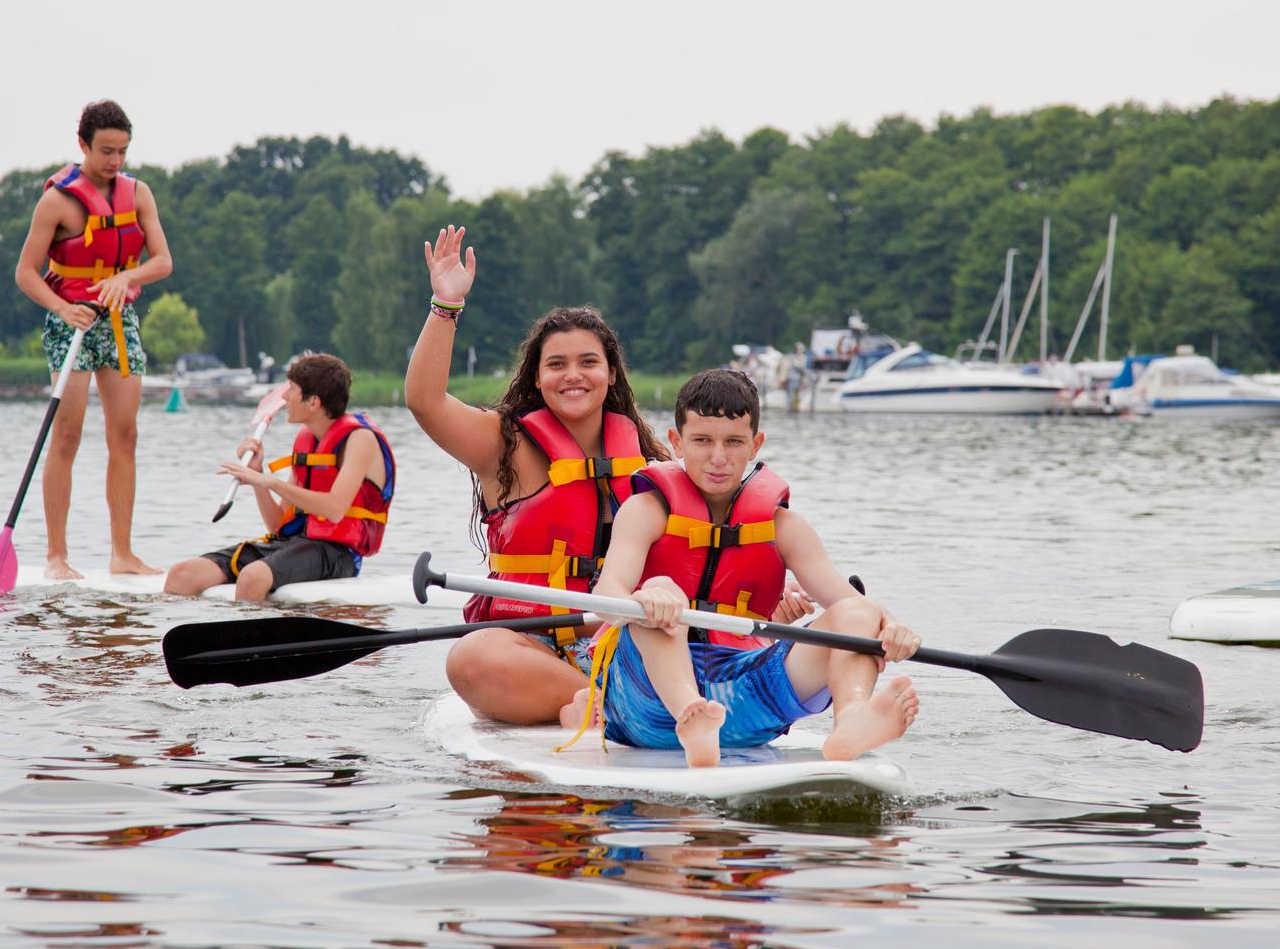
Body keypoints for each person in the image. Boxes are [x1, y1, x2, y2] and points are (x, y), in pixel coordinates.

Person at [565, 368, 921, 768]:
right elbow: (606, 593)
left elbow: (852, 606)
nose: (718, 457)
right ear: (677, 442)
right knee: (662, 589)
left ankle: (852, 719)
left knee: (858, 612)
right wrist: (642, 601)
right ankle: (691, 715)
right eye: (702, 441)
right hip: (647, 703)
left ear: (755, 445)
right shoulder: (646, 510)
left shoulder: (784, 528)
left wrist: (892, 627)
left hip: (741, 699)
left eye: (734, 442)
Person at [404, 226, 673, 724]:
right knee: (470, 658)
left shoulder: (648, 459)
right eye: (557, 364)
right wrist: (446, 305)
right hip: (532, 646)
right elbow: (425, 402)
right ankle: (615, 708)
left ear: (611, 373)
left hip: (626, 642)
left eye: (588, 362)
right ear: (537, 377)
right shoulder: (503, 445)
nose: (574, 374)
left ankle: (618, 702)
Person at [14, 99, 173, 579]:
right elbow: (26, 273)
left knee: (125, 435)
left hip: (119, 322)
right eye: (106, 150)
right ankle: (56, 557)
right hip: (71, 322)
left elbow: (162, 261)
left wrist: (128, 278)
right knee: (67, 436)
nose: (115, 161)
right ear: (82, 144)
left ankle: (122, 554)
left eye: (123, 151)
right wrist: (62, 308)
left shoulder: (139, 193)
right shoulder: (56, 201)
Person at [164, 353, 395, 602]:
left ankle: (252, 638)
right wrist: (257, 474)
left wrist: (270, 482)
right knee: (182, 574)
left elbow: (335, 509)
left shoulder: (360, 439)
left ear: (313, 402)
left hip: (338, 553)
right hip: (295, 543)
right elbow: (277, 526)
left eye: (292, 390)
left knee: (253, 577)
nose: (284, 398)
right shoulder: (308, 443)